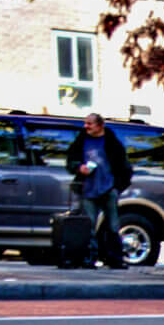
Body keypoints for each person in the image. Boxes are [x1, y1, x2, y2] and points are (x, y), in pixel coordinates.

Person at [66, 113, 133, 269]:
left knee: (113, 225)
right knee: (88, 225)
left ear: (100, 125)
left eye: (89, 124)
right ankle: (89, 259)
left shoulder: (112, 143)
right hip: (88, 189)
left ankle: (115, 259)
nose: (86, 126)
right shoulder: (80, 142)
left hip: (108, 189)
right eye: (85, 123)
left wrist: (116, 188)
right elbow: (70, 161)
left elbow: (125, 168)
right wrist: (78, 167)